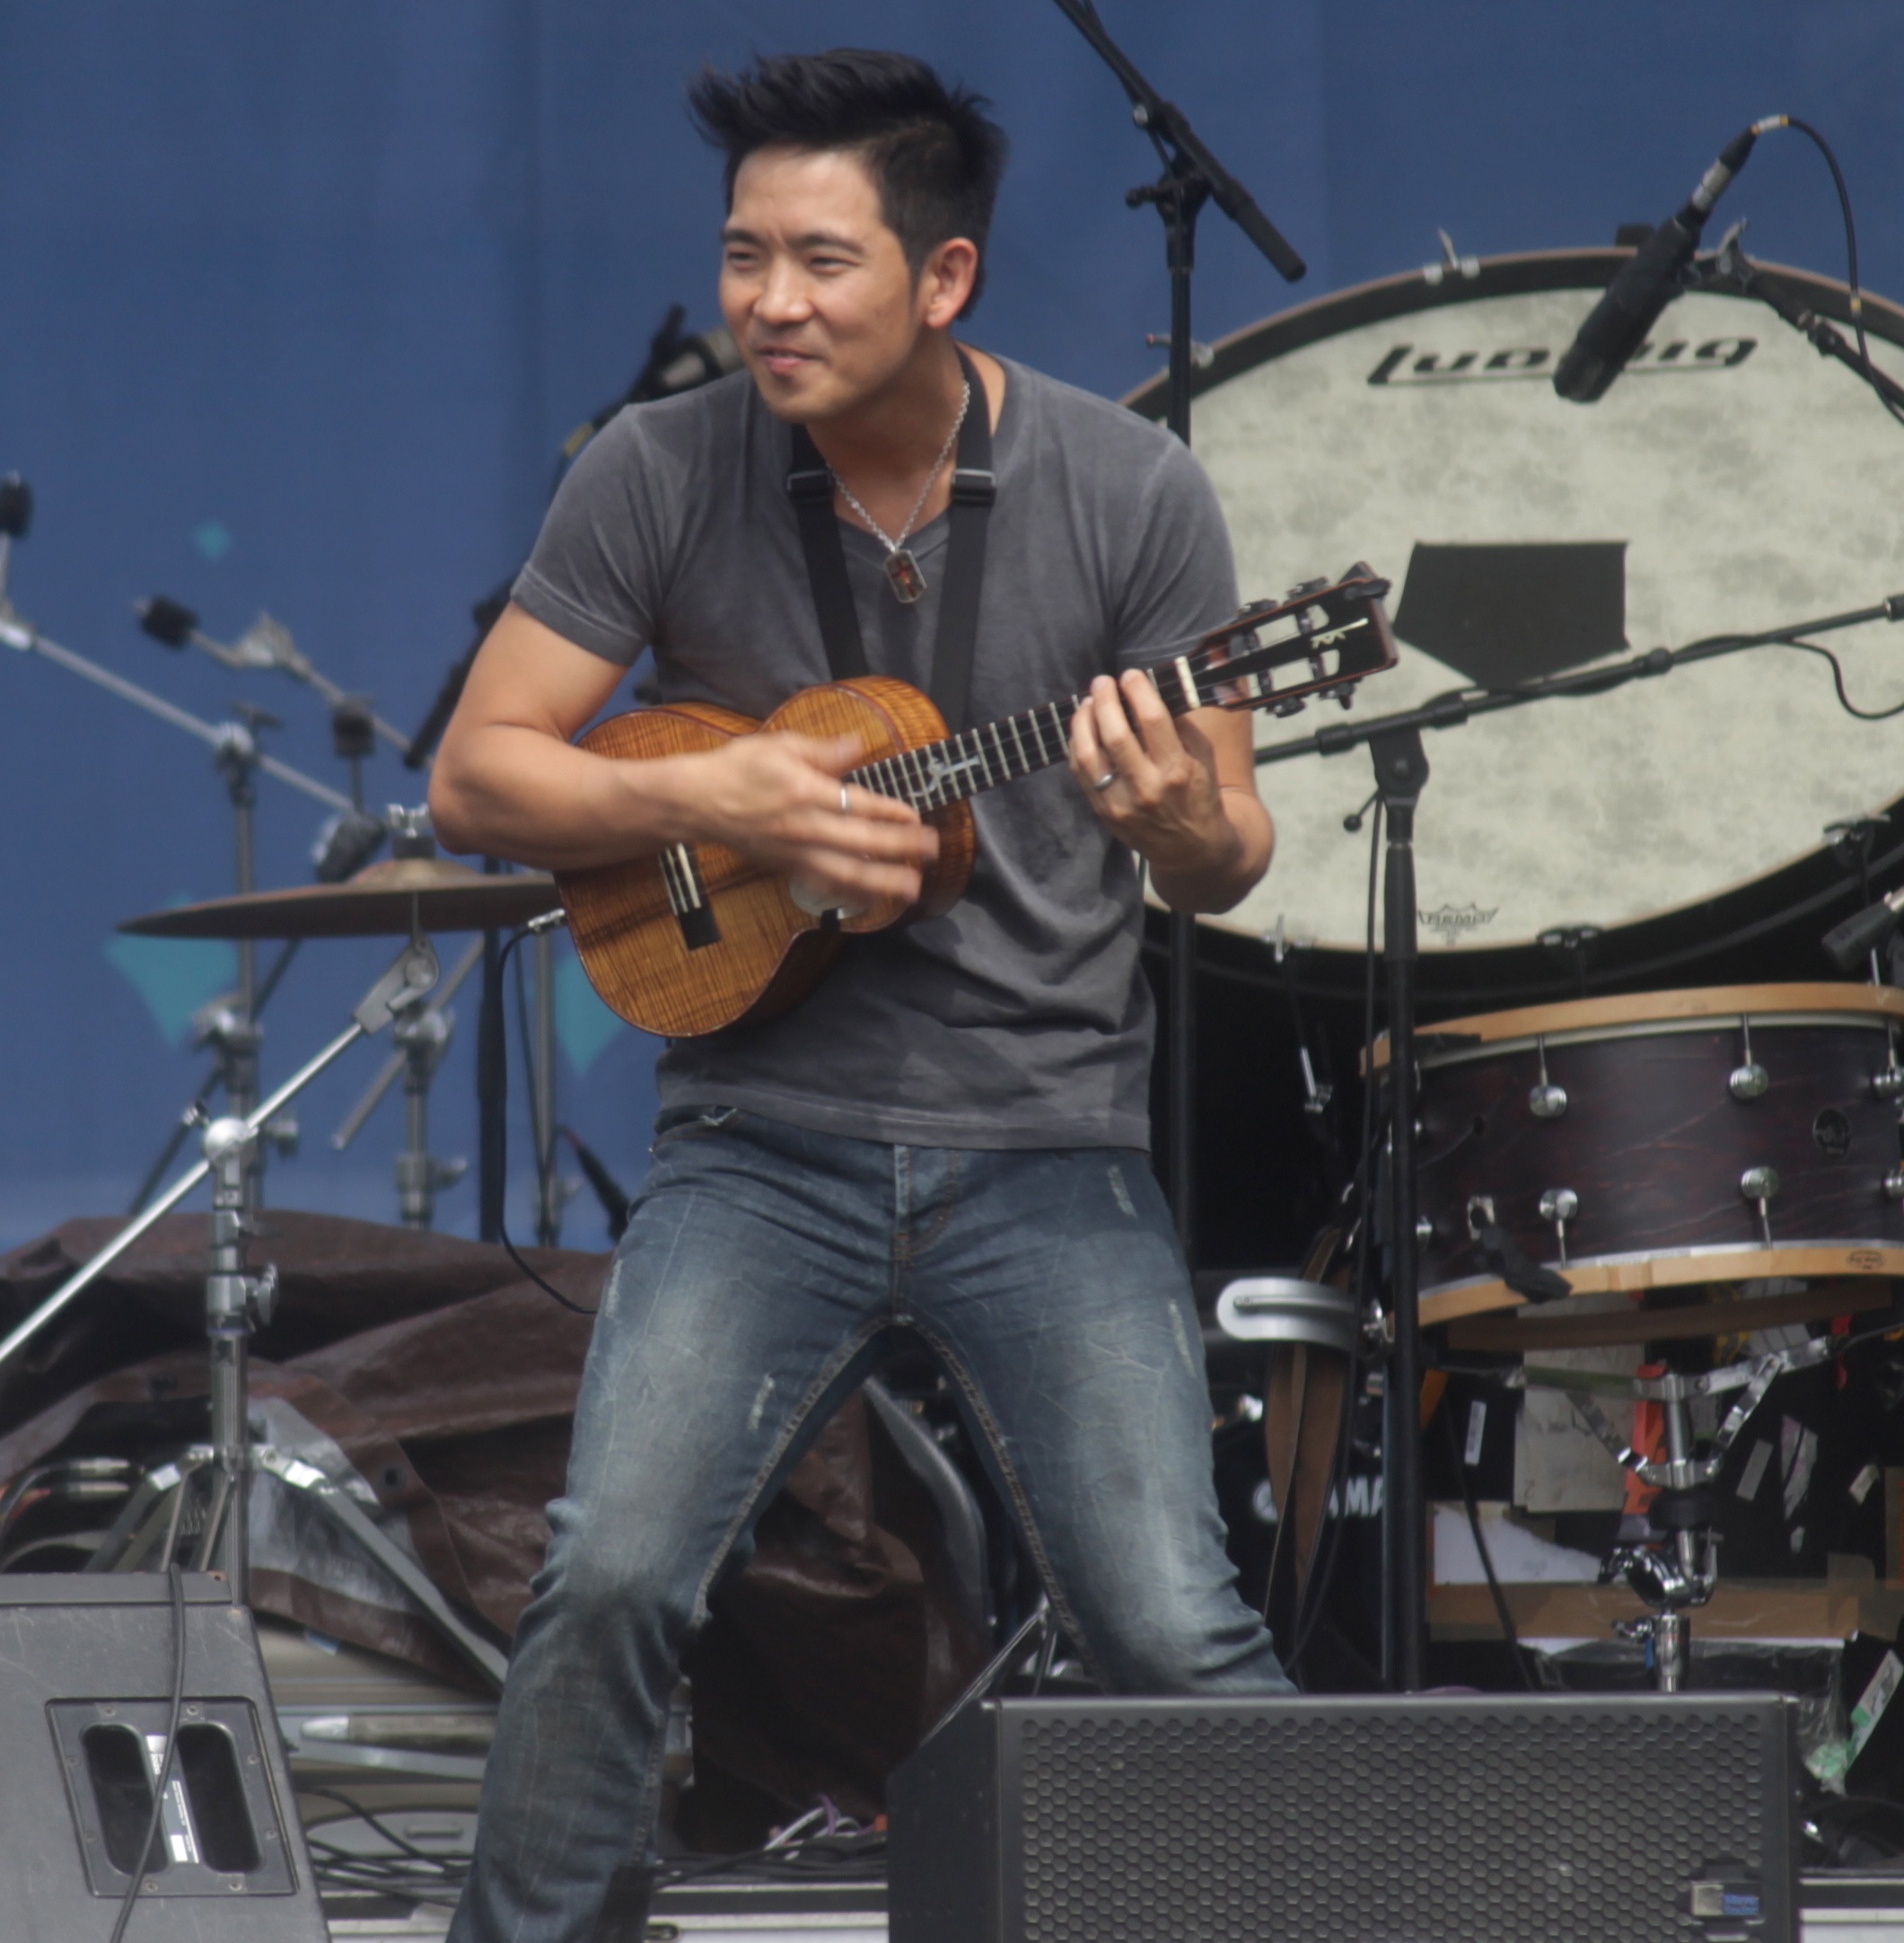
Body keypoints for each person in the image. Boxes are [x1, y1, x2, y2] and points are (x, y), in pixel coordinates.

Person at [430, 48, 1290, 1943]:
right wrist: (714, 796)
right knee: (608, 1577)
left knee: (1168, 1621)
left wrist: (1182, 824)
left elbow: (1226, 850)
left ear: (944, 276)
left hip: (1046, 1138)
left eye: (820, 261)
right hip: (760, 1136)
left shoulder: (1131, 489)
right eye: (744, 256)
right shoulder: (657, 466)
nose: (770, 303)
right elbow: (477, 775)